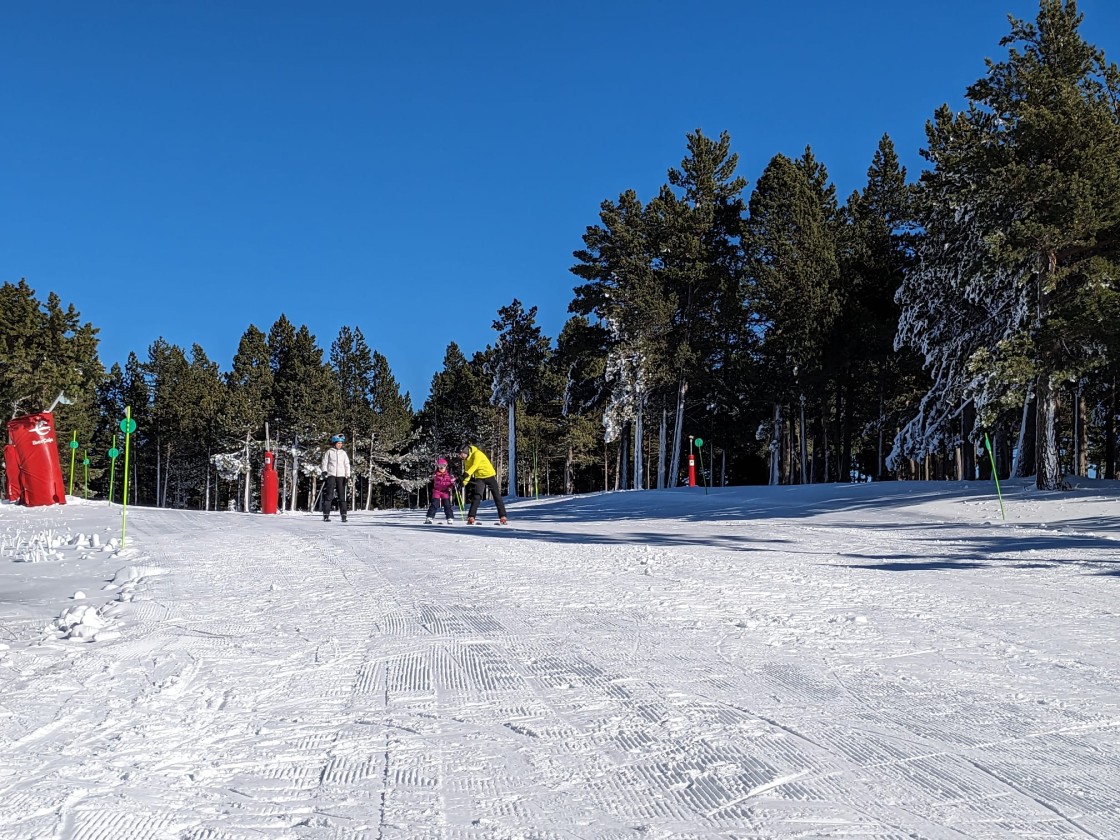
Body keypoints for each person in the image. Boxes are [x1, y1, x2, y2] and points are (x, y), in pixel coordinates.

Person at [456, 443, 508, 525]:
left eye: (461, 454)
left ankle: (503, 516)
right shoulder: (466, 460)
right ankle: (471, 517)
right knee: (477, 496)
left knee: (497, 496)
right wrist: (463, 483)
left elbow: (474, 466)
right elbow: (468, 473)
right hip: (480, 478)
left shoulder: (477, 454)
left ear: (465, 451)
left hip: (489, 475)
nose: (460, 456)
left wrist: (464, 475)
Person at [320, 434, 351, 522]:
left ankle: (344, 516)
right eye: (338, 443)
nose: (340, 445)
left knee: (342, 496)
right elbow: (324, 462)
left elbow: (347, 464)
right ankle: (326, 515)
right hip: (331, 474)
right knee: (329, 495)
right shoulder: (329, 452)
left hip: (341, 475)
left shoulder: (343, 453)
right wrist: (324, 471)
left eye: (341, 443)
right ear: (334, 443)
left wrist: (347, 475)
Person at [424, 458, 457, 523]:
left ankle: (450, 517)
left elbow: (450, 483)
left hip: (445, 492)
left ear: (446, 466)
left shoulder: (449, 475)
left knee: (447, 505)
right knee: (434, 504)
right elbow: (435, 481)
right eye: (440, 466)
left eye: (443, 466)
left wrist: (452, 484)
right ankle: (429, 517)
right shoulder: (436, 474)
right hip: (437, 491)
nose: (442, 468)